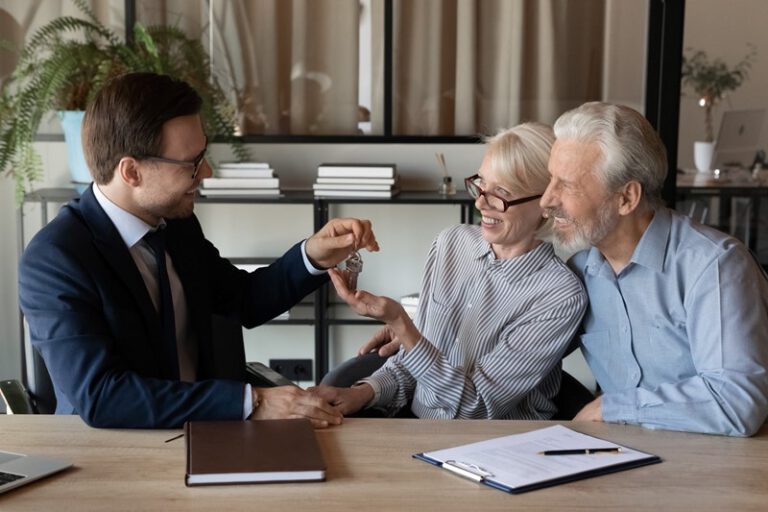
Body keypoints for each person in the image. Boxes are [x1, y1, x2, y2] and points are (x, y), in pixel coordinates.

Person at [18, 72, 378, 429]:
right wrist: (253, 401)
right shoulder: (55, 258)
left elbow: (243, 299)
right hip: (112, 453)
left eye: (203, 155)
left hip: (210, 434)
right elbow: (102, 396)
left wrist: (313, 256)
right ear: (131, 172)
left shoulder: (175, 224)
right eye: (191, 163)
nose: (205, 171)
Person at [311, 123, 587, 419]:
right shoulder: (451, 244)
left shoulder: (559, 295)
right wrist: (363, 392)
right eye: (481, 184)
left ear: (547, 203)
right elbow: (412, 363)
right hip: (417, 427)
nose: (481, 202)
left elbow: (476, 408)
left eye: (501, 193)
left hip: (496, 448)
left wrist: (400, 322)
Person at [540, 101, 768, 436]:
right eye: (550, 179)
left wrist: (612, 407)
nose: (547, 199)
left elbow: (736, 401)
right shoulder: (579, 271)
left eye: (568, 185)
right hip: (622, 460)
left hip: (719, 470)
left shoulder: (713, 266)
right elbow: (527, 352)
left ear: (626, 199)